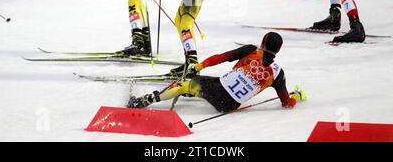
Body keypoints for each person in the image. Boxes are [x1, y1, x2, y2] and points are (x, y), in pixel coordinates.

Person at [127, 32, 306, 112]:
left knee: (185, 84)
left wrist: (197, 66)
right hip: (229, 106)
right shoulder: (278, 74)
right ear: (278, 50)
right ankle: (193, 92)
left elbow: (220, 57)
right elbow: (287, 103)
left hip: (218, 89)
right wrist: (296, 95)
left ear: (263, 43)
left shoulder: (252, 50)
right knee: (208, 83)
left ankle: (144, 101)